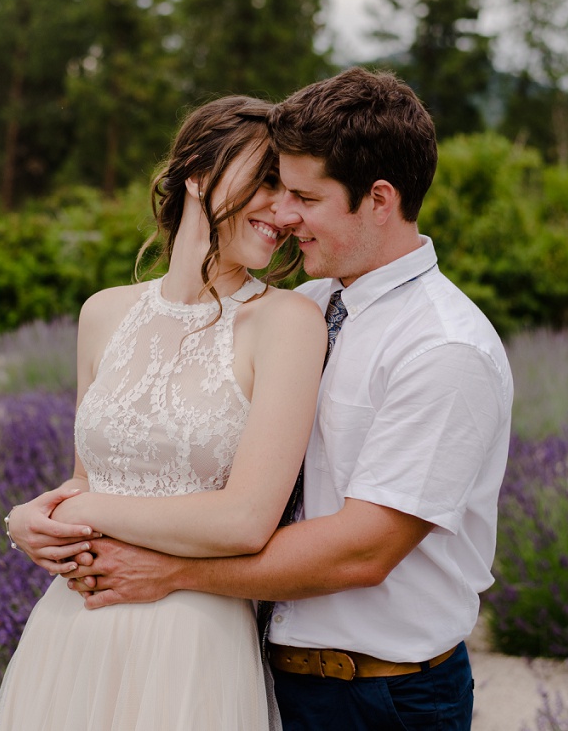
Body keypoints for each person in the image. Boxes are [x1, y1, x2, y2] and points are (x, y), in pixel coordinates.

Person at [59, 67, 514, 731]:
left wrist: (170, 574)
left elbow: (363, 550)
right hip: (265, 669)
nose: (286, 214)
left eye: (306, 196)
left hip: (382, 697)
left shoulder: (443, 348)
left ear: (379, 199)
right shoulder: (308, 307)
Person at [0, 96, 328, 730]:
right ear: (198, 174)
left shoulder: (287, 323)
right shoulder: (104, 313)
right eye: (266, 180)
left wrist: (84, 511)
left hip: (191, 644)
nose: (282, 210)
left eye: (291, 191)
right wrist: (30, 519)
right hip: (72, 632)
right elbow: (89, 480)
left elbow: (247, 521)